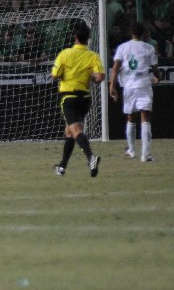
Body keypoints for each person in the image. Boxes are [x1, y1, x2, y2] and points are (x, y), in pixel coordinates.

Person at [50, 24, 105, 177]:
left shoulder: (65, 54)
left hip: (69, 98)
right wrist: (89, 77)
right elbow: (99, 77)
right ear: (88, 38)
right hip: (85, 99)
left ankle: (91, 157)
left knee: (76, 131)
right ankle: (62, 167)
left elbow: (55, 74)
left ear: (75, 37)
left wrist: (64, 75)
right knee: (69, 131)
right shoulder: (93, 55)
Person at [109, 22, 160, 162]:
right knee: (145, 119)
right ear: (143, 34)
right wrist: (158, 77)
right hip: (144, 85)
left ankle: (131, 150)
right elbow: (155, 68)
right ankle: (146, 154)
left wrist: (112, 86)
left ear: (131, 33)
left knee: (130, 118)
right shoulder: (149, 48)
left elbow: (116, 68)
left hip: (129, 87)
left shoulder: (122, 48)